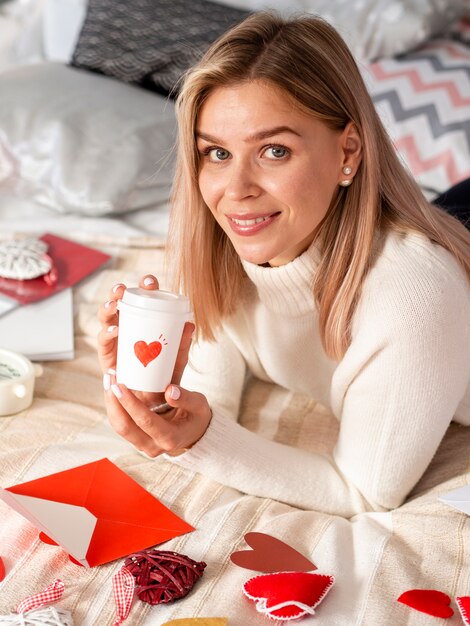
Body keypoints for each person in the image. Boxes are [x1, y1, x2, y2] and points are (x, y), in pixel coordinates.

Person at [98, 12, 470, 518]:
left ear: (349, 151)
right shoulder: (223, 238)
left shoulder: (414, 295)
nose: (236, 190)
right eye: (217, 153)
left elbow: (363, 491)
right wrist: (156, 399)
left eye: (274, 151)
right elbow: (209, 396)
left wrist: (204, 440)